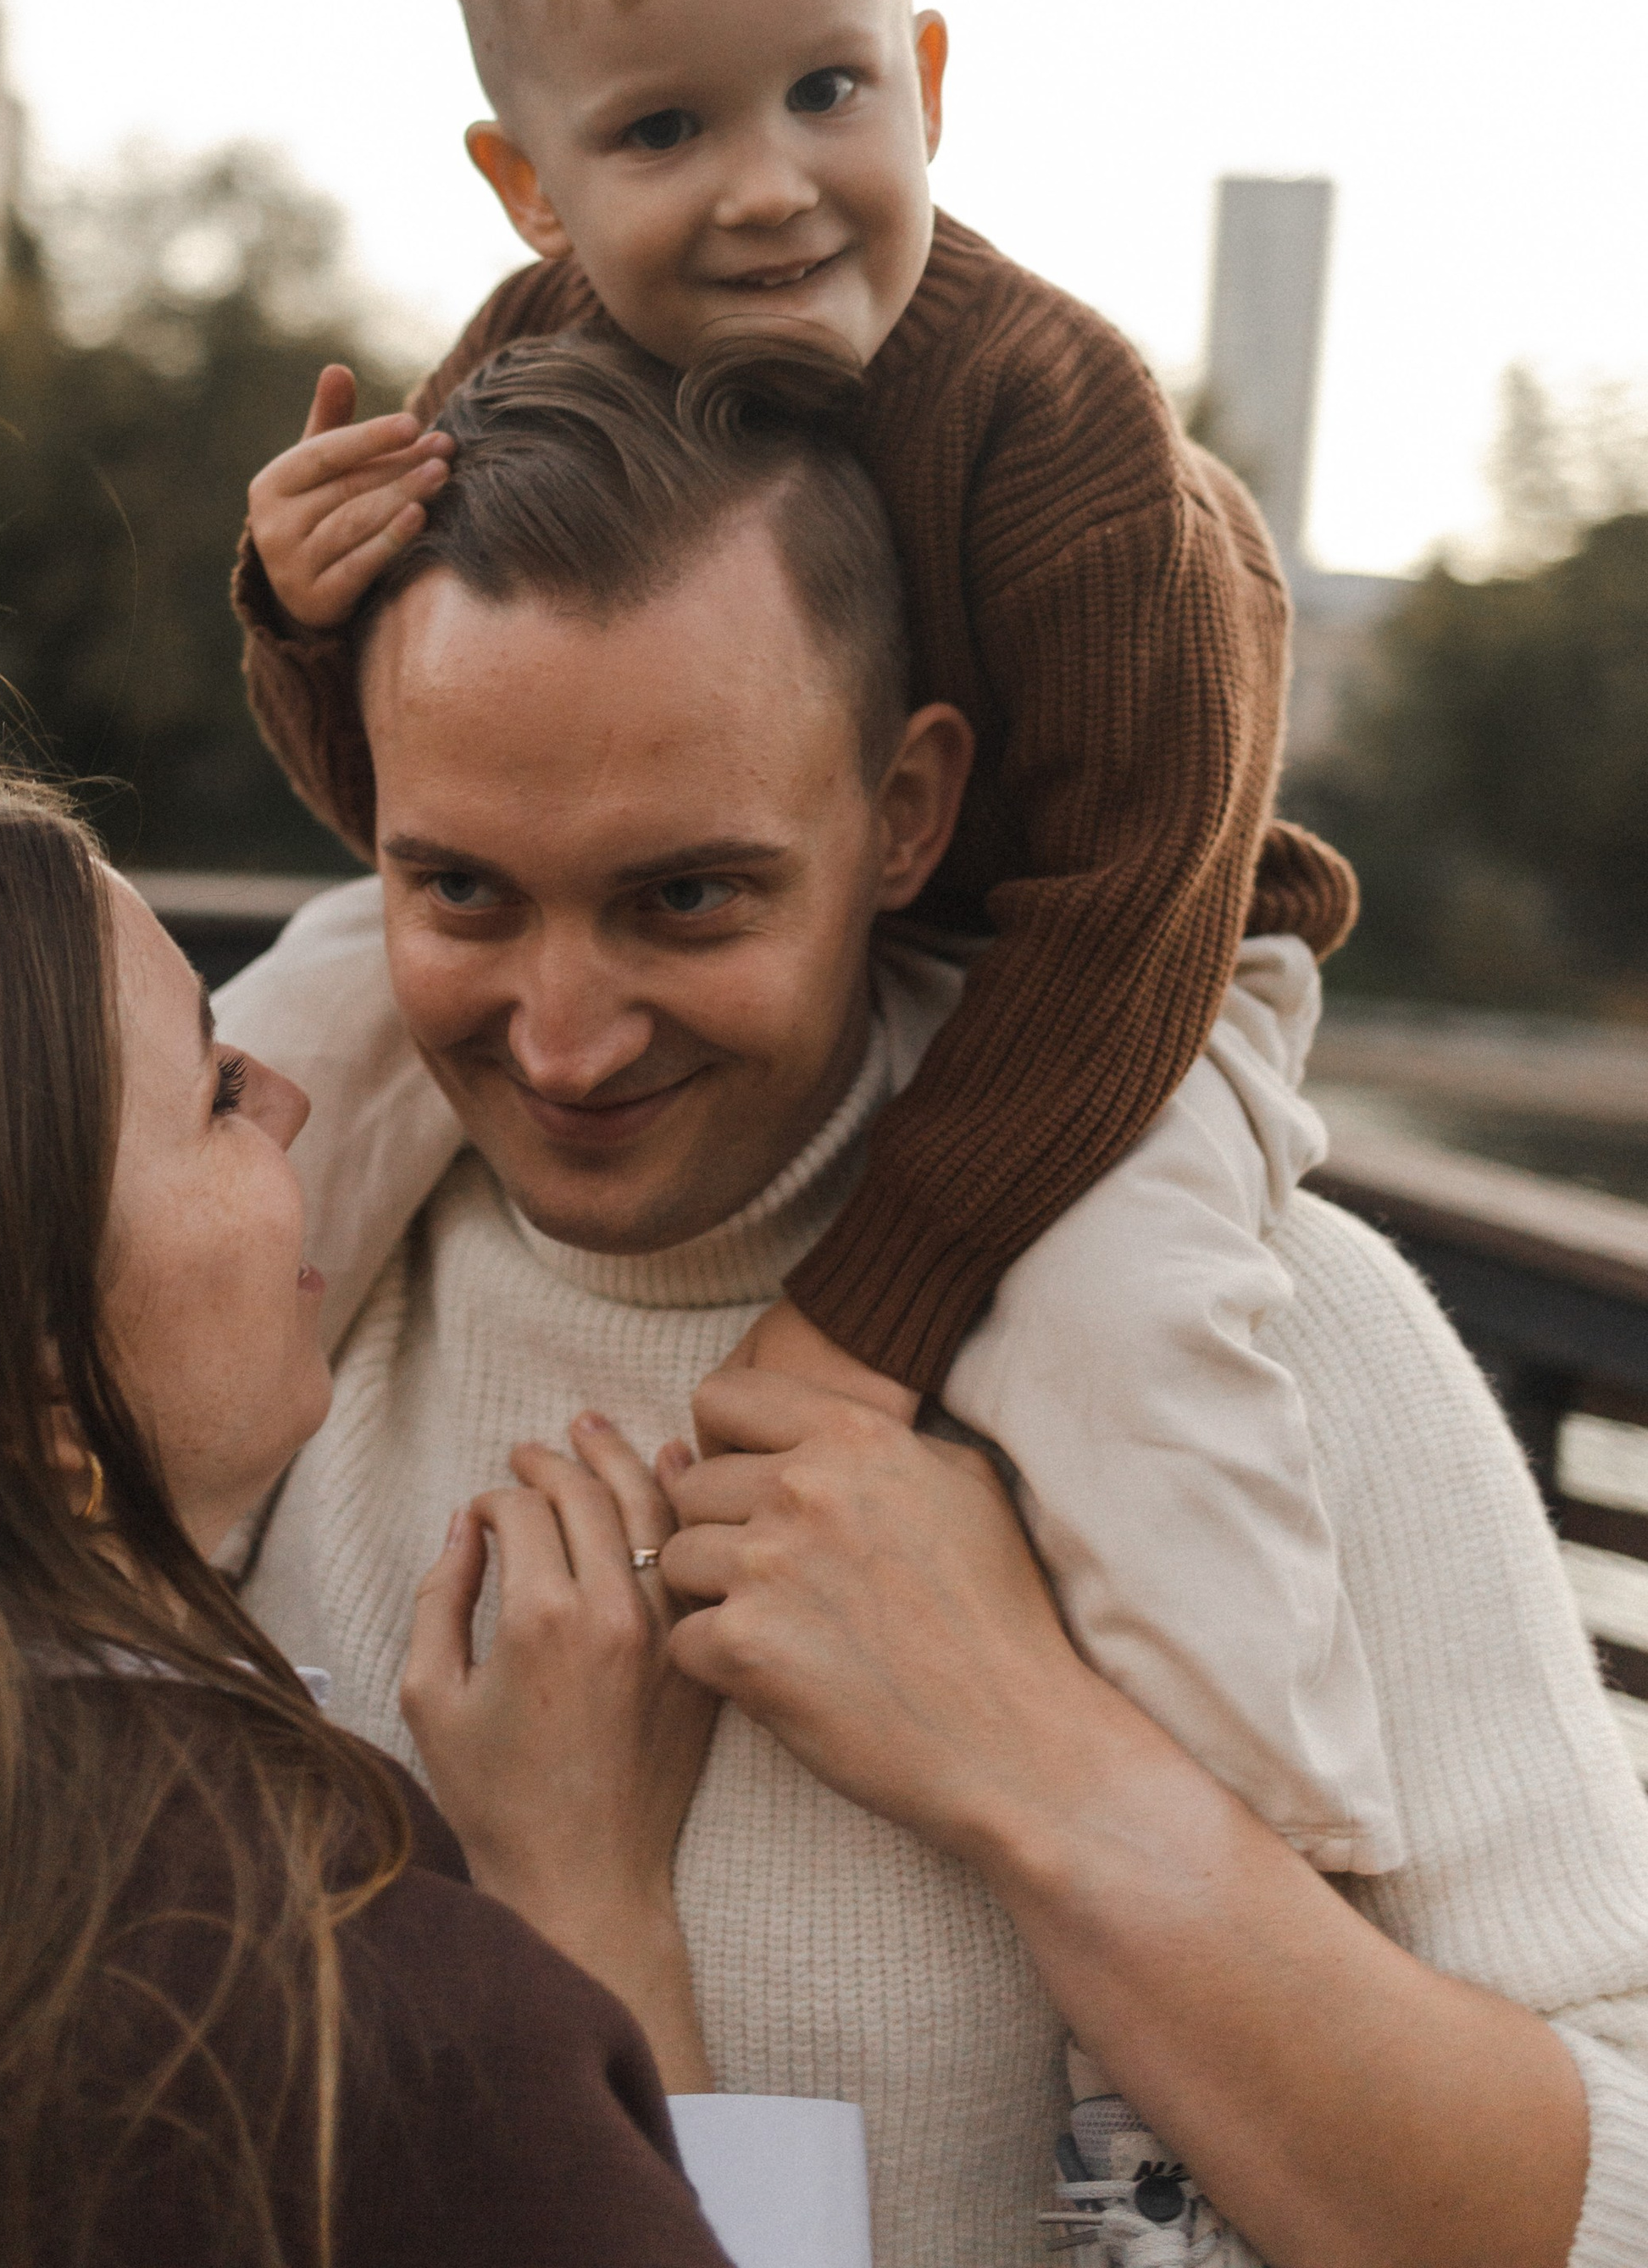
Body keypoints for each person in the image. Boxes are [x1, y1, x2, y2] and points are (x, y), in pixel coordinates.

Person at [219, 335, 1648, 2265]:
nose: (558, 1040)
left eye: (685, 899)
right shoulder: (240, 1334)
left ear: (907, 809)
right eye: (459, 892)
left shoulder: (1262, 1337)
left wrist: (1027, 1755)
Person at [0, 750, 844, 2268]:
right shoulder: (346, 2038)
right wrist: (593, 1918)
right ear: (41, 1397)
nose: (294, 1093)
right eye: (213, 1089)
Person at [234, 0, 1358, 1421]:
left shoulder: (1064, 438)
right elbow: (432, 818)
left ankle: (1211, 1685)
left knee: (1133, 1329)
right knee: (281, 1055)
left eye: (824, 92)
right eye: (663, 130)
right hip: (756, 922)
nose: (768, 189)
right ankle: (118, 1474)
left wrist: (865, 1313)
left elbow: (1129, 919)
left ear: (922, 81)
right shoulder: (516, 374)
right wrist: (309, 623)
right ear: (530, 185)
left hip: (1120, 947)